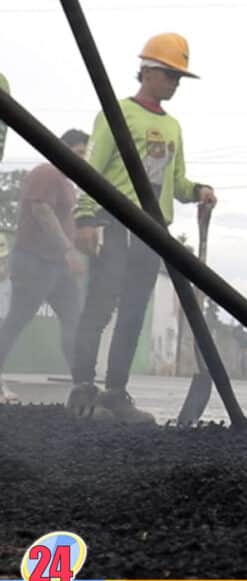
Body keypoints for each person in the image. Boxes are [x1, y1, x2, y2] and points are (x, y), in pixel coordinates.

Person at [68, 33, 217, 424]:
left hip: (153, 230)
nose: (175, 83)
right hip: (113, 223)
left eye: (179, 77)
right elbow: (90, 170)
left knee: (133, 314)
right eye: (170, 74)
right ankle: (82, 387)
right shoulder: (116, 114)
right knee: (100, 307)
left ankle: (115, 393)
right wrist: (84, 218)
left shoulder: (174, 128)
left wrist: (198, 191)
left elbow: (176, 182)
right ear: (148, 71)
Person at [0, 130, 89, 401]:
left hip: (57, 266)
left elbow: (64, 219)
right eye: (78, 153)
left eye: (85, 154)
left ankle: (82, 385)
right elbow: (41, 210)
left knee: (75, 320)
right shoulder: (46, 172)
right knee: (17, 320)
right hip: (33, 260)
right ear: (62, 149)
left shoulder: (67, 183)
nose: (82, 159)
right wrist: (68, 249)